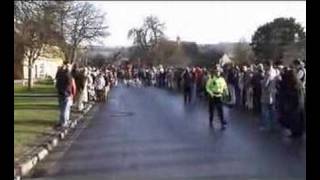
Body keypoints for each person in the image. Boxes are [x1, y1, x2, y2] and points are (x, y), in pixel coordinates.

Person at [278, 69, 305, 138]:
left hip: (293, 104)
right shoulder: (298, 83)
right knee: (298, 119)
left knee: (294, 120)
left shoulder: (292, 84)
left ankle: (295, 133)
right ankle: (299, 132)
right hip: (299, 103)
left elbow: (289, 93)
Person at [206, 64, 229, 129]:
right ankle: (211, 119)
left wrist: (226, 93)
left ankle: (222, 123)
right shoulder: (211, 79)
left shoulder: (222, 79)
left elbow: (225, 86)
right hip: (212, 96)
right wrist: (210, 93)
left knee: (220, 110)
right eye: (216, 71)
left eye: (219, 72)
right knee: (212, 110)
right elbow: (207, 87)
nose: (218, 73)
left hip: (219, 96)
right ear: (215, 72)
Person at [55, 61, 76, 128]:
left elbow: (57, 84)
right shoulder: (68, 75)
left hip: (60, 93)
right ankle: (64, 122)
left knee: (62, 109)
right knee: (65, 109)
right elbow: (70, 85)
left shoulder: (60, 74)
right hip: (66, 94)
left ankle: (62, 121)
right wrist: (70, 93)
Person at [260, 61, 277, 131]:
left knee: (265, 111)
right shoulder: (275, 71)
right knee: (272, 111)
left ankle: (265, 126)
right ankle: (273, 125)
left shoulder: (268, 73)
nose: (264, 67)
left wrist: (261, 82)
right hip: (273, 93)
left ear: (267, 65)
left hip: (266, 94)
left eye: (264, 66)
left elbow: (265, 84)